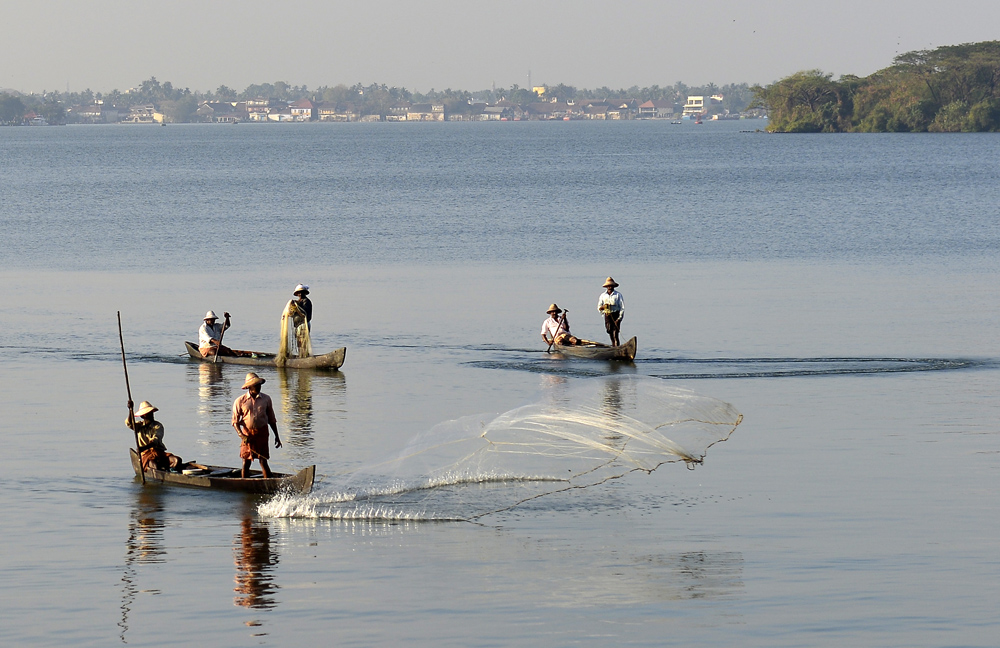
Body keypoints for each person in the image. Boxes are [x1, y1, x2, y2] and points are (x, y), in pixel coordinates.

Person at [231, 372, 282, 478]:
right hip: (247, 434)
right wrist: (242, 435)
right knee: (246, 462)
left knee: (263, 461)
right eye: (256, 385)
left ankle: (268, 483)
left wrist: (277, 436)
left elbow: (271, 419)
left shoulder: (266, 399)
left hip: (262, 433)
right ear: (250, 387)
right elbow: (235, 422)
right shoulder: (240, 401)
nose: (258, 387)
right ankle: (245, 485)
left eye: (259, 385)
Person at [126, 401, 182, 472]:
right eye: (148, 413)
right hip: (146, 455)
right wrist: (130, 409)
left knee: (177, 460)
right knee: (155, 466)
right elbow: (129, 423)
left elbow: (156, 441)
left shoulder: (157, 426)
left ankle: (171, 471)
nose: (151, 414)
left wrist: (143, 448)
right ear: (142, 416)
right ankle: (161, 471)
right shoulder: (139, 426)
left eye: (151, 412)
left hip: (159, 453)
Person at [598, 277, 625, 347]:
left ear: (613, 286)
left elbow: (622, 307)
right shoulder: (603, 296)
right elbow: (599, 307)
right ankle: (613, 346)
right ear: (606, 287)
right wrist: (603, 307)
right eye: (608, 286)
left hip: (616, 314)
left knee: (615, 333)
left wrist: (619, 319)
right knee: (609, 331)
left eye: (611, 286)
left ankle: (617, 348)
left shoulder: (618, 295)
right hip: (607, 315)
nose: (610, 287)